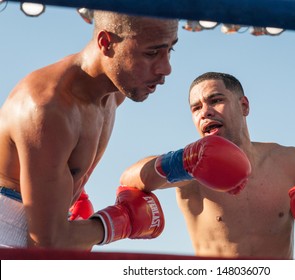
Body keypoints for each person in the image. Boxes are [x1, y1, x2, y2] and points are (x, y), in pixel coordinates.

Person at [0, 10, 179, 250]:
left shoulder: (116, 92)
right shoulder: (47, 108)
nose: (166, 68)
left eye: (170, 50)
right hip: (11, 229)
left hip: (46, 229)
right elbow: (48, 242)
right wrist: (120, 221)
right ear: (106, 43)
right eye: (151, 53)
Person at [120, 72, 295, 259]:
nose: (205, 112)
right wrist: (181, 162)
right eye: (196, 108)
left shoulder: (291, 162)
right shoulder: (193, 169)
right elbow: (129, 178)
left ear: (244, 106)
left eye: (216, 100)